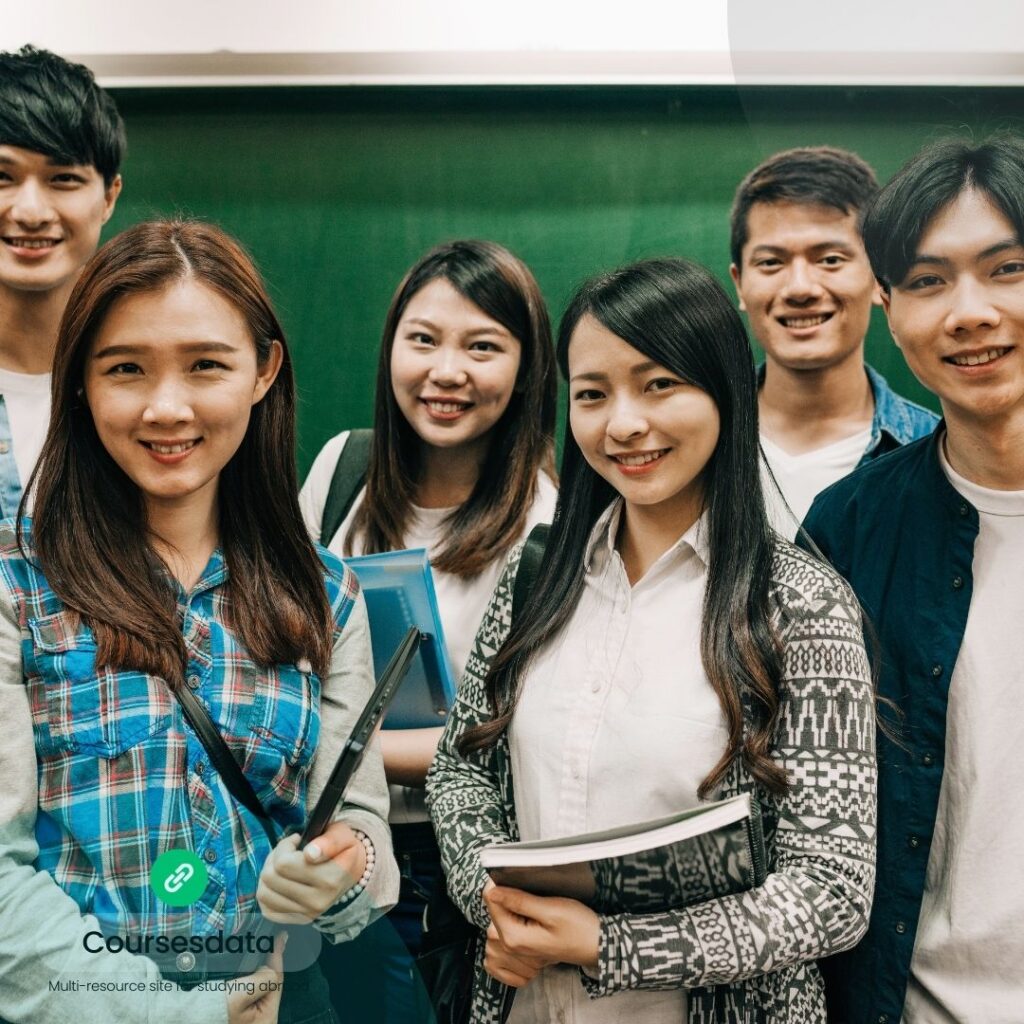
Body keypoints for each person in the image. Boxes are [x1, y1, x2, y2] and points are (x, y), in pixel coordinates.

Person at [426, 257, 877, 1023]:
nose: (623, 424)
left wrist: (610, 946)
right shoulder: (536, 576)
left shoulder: (800, 604)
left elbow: (830, 890)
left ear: (725, 392)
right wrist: (494, 906)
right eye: (592, 394)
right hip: (527, 1003)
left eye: (659, 384)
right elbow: (459, 772)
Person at [0, 220, 398, 1024]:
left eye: (207, 365)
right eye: (125, 369)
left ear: (263, 371)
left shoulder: (324, 595)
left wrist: (342, 869)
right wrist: (176, 1015)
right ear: (80, 381)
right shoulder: (18, 587)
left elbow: (361, 827)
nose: (167, 407)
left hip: (282, 1000)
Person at [299, 238, 557, 1020]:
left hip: (470, 876)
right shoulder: (342, 471)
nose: (447, 372)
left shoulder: (552, 523)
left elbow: (522, 733)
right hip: (334, 854)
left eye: (483, 347)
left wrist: (346, 750)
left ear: (526, 369)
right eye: (423, 340)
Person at [804, 134, 1024, 1024]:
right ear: (888, 310)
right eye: (929, 282)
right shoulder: (849, 529)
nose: (968, 313)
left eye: (1006, 269)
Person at [729, 146, 937, 535]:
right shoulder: (693, 445)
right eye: (771, 262)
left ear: (879, 279)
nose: (800, 288)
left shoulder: (944, 454)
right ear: (740, 283)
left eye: (830, 260)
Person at [0, 45, 123, 513]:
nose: (30, 212)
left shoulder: (155, 390)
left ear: (109, 196)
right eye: (2, 175)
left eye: (64, 178)